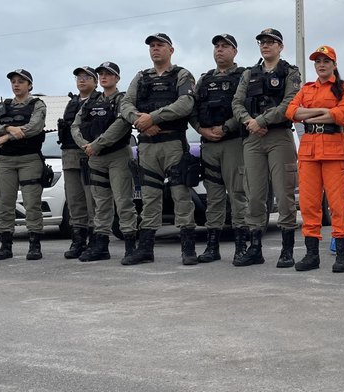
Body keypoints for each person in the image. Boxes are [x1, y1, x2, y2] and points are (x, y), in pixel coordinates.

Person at [120, 33, 198, 266]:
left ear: (171, 50)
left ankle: (188, 249)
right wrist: (138, 121)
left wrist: (152, 118)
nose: (155, 49)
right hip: (147, 146)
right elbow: (125, 104)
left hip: (173, 143)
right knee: (149, 198)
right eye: (152, 46)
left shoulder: (181, 75)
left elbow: (185, 104)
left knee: (181, 196)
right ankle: (145, 249)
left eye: (160, 45)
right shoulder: (141, 77)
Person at [231, 28, 300, 268]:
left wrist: (262, 120)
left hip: (278, 136)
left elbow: (290, 102)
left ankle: (287, 250)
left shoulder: (290, 72)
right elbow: (237, 102)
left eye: (271, 42)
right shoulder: (249, 73)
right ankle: (255, 249)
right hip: (252, 138)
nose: (266, 46)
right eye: (262, 42)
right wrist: (249, 121)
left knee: (284, 194)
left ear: (280, 46)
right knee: (254, 195)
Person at [286, 45, 344, 272]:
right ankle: (311, 254)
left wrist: (310, 114)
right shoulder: (306, 89)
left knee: (337, 204)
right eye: (318, 62)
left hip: (334, 151)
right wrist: (325, 113)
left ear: (334, 64)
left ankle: (342, 255)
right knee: (308, 204)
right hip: (309, 152)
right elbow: (292, 112)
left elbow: (342, 114)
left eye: (326, 61)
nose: (321, 65)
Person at [190, 34, 249, 263]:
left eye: (225, 46)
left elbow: (244, 107)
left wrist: (226, 127)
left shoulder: (243, 75)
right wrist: (200, 130)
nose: (220, 50)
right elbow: (192, 109)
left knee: (237, 194)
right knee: (214, 197)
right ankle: (212, 247)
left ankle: (241, 246)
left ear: (235, 51)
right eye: (217, 46)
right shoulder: (204, 80)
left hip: (234, 142)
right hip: (209, 145)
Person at [72, 61, 138, 262]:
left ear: (117, 78)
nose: (103, 77)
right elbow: (75, 125)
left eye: (108, 74)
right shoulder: (91, 102)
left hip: (117, 156)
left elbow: (120, 124)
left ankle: (130, 246)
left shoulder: (123, 99)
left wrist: (97, 144)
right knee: (100, 204)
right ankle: (101, 246)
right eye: (101, 73)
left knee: (123, 201)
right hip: (95, 158)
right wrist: (85, 145)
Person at [0, 69, 47, 261]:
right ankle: (6, 246)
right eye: (13, 81)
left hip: (29, 159)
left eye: (21, 81)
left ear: (30, 85)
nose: (16, 84)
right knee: (4, 204)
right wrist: (8, 128)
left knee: (32, 204)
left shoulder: (37, 104)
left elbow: (34, 127)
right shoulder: (2, 106)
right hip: (5, 161)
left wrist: (5, 136)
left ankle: (34, 246)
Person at [59, 66, 98, 260]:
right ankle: (78, 240)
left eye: (86, 77)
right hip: (70, 154)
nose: (81, 80)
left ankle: (94, 240)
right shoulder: (72, 102)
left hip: (91, 154)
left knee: (92, 200)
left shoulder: (100, 101)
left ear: (95, 81)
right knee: (74, 200)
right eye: (78, 77)